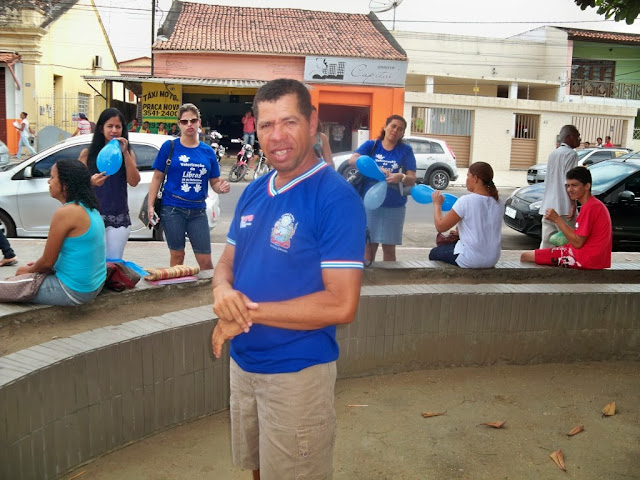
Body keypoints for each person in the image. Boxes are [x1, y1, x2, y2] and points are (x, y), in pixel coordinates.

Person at [210, 78, 365, 480]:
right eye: (266, 125)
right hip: (244, 364)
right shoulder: (254, 191)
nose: (276, 136)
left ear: (312, 123)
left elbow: (341, 304)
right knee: (258, 468)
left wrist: (246, 314)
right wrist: (222, 290)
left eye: (289, 122)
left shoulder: (335, 198)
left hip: (297, 375)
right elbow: (227, 261)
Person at [3, 159, 106, 305]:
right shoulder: (89, 208)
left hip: (74, 290)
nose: (48, 181)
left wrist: (29, 270)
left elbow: (47, 262)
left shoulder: (67, 212)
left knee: (15, 277)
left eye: (52, 177)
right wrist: (36, 267)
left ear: (65, 184)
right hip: (95, 284)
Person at [147, 103, 230, 270]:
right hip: (172, 209)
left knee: (205, 261)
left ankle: (209, 288)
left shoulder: (207, 151)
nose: (189, 125)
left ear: (199, 122)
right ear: (179, 124)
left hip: (198, 211)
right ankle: (176, 286)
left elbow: (214, 182)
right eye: (184, 121)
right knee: (177, 256)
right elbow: (157, 177)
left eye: (193, 120)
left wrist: (221, 188)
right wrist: (150, 206)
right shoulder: (170, 147)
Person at [347, 115, 417, 262]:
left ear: (402, 133)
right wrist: (376, 169)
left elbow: (412, 178)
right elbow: (352, 160)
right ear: (385, 127)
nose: (395, 130)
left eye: (400, 129)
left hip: (394, 206)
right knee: (369, 249)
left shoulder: (406, 150)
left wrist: (401, 177)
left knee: (389, 250)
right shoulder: (371, 145)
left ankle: (388, 278)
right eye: (393, 126)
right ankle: (369, 277)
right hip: (370, 204)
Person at [78, 108, 141, 260]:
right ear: (101, 128)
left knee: (114, 262)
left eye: (118, 127)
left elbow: (134, 181)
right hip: (92, 215)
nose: (114, 130)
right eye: (110, 126)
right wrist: (91, 182)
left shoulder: (127, 154)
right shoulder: (87, 154)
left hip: (118, 215)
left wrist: (125, 153)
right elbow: (76, 185)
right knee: (94, 261)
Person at [521, 167, 611, 269]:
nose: (570, 190)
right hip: (592, 257)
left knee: (525, 256)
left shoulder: (590, 207)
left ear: (587, 186)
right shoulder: (593, 205)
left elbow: (577, 243)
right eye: (568, 185)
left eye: (574, 185)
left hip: (585, 258)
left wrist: (557, 219)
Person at [429, 161, 503, 268]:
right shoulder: (498, 202)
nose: (466, 180)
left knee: (434, 253)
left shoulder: (466, 201)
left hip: (470, 258)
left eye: (468, 176)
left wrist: (437, 204)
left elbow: (440, 227)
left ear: (475, 179)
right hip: (493, 258)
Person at [539, 125, 580, 249]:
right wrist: (572, 205)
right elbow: (569, 182)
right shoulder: (571, 154)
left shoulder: (554, 154)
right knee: (569, 243)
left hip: (548, 207)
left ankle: (541, 262)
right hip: (564, 207)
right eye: (577, 136)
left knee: (547, 245)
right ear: (568, 137)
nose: (579, 139)